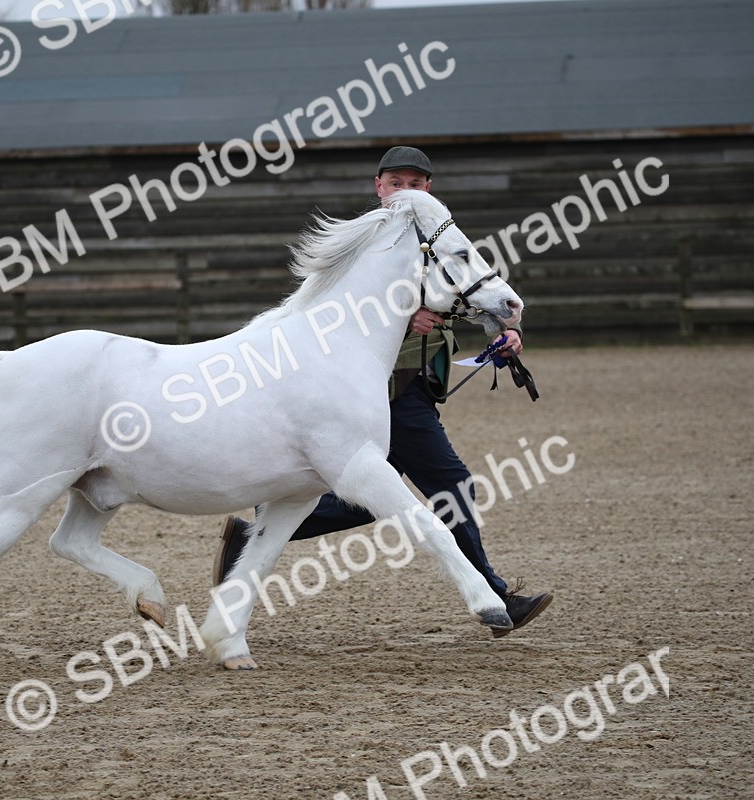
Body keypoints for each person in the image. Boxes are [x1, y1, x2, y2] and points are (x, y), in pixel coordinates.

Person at [213, 146, 553, 638]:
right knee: (451, 486)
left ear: (428, 191)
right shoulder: (366, 244)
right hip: (376, 394)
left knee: (367, 495)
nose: (404, 192)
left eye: (415, 184)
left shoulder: (435, 239)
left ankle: (251, 535)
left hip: (410, 388)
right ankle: (493, 594)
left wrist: (502, 329)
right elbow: (328, 311)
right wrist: (399, 313)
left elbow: (466, 289)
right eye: (396, 182)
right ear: (378, 187)